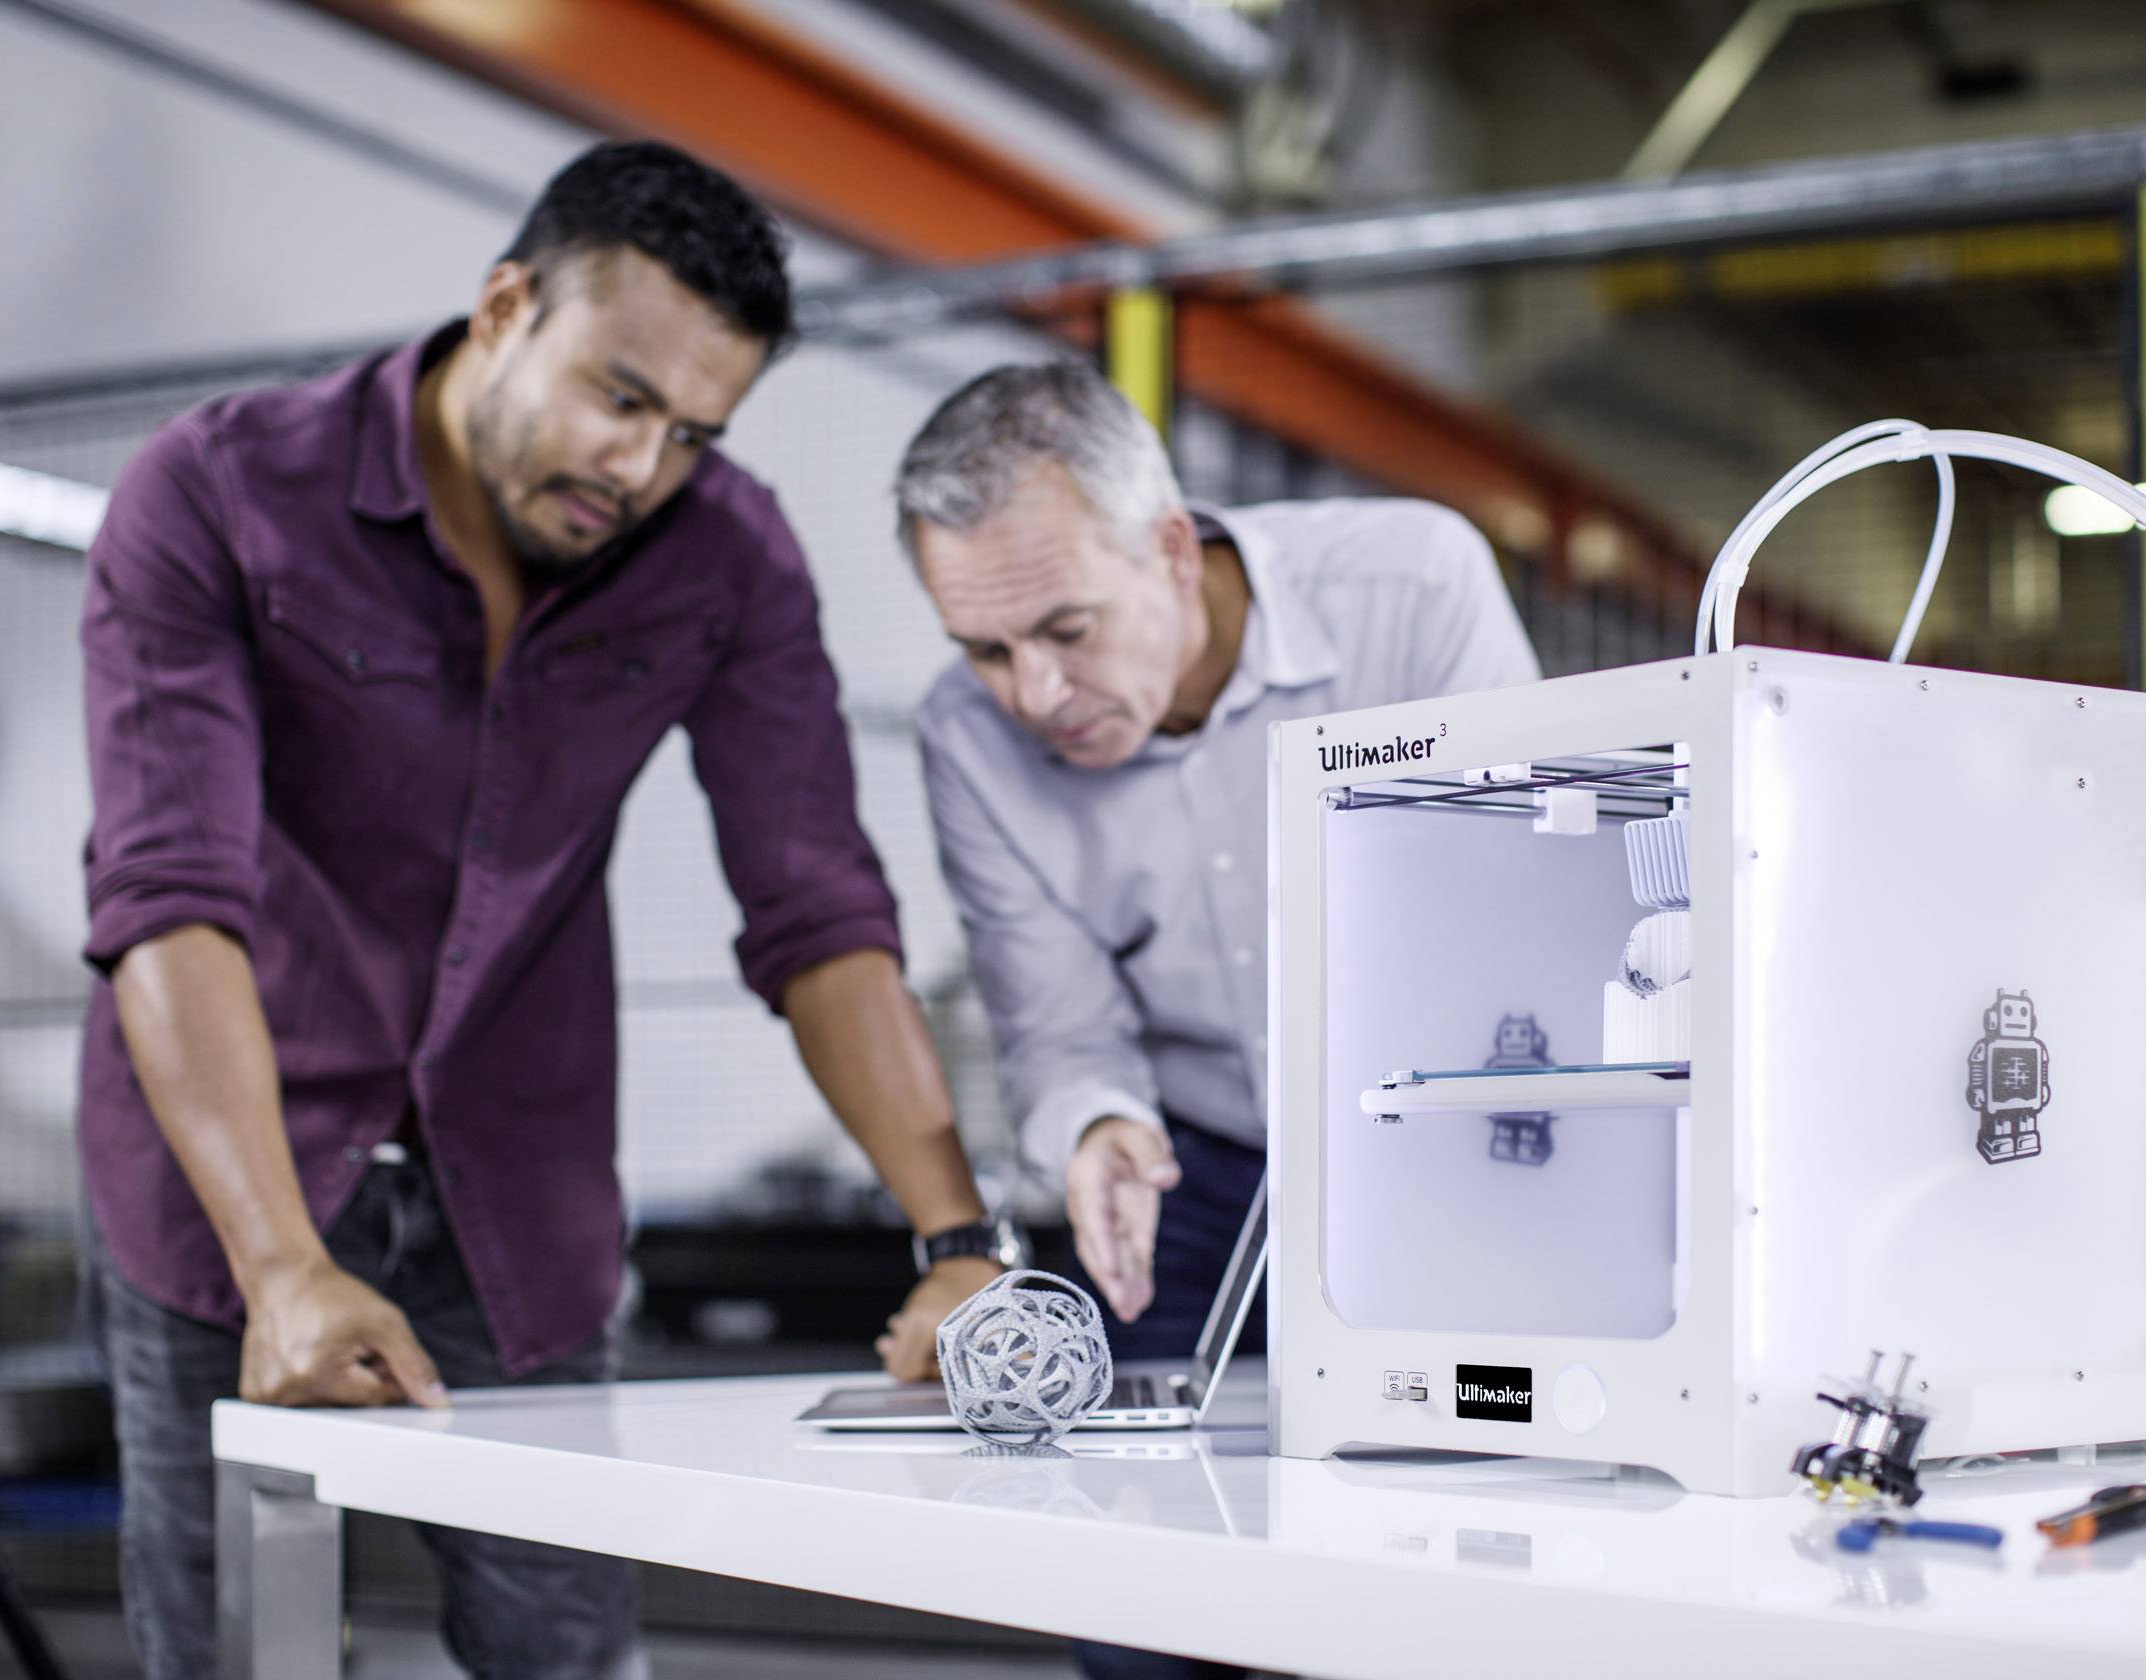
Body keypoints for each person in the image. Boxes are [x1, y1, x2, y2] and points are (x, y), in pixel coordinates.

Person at [76, 141, 1006, 1680]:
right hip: (220, 1185)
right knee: (237, 1647)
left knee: (564, 1650)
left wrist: (956, 1235)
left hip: (518, 1200)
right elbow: (170, 897)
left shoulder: (728, 557)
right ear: (506, 305)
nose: (643, 469)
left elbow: (818, 906)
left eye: (695, 432)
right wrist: (281, 1264)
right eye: (619, 397)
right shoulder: (220, 492)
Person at [890, 360, 1541, 1677]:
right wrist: (1099, 1127)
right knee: (1142, 1594)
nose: (1031, 693)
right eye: (984, 647)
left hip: (1442, 1155)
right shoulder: (966, 738)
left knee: (1460, 1564)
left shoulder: (1413, 590)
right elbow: (1057, 1027)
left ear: (1174, 551)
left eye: (1066, 630)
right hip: (1186, 1181)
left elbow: (1528, 908)